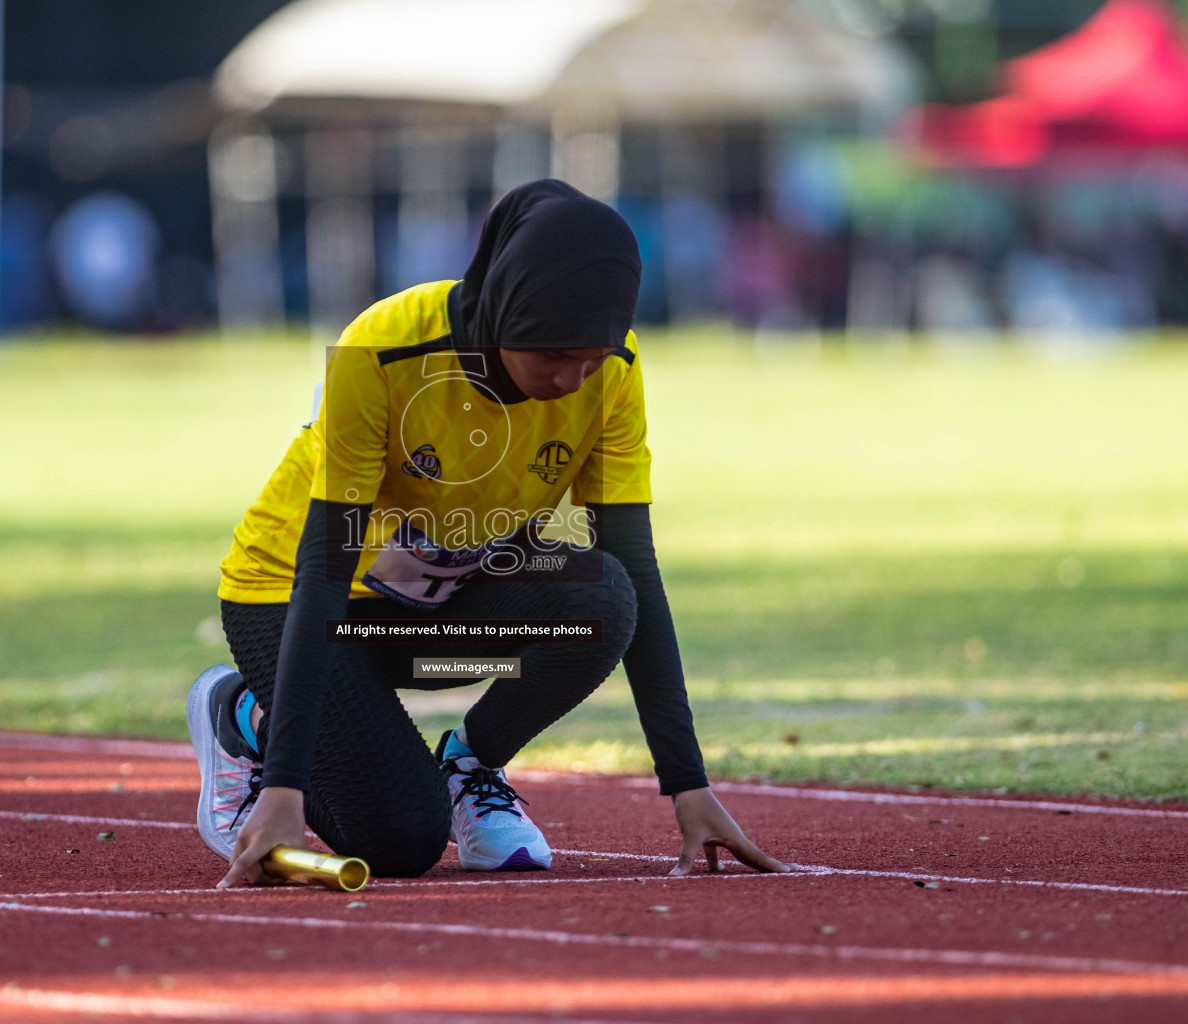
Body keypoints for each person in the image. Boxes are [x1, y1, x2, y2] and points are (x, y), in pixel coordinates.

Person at [190, 179, 791, 886]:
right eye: (554, 358)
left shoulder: (614, 370)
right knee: (403, 842)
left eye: (590, 361)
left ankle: (470, 762)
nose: (573, 380)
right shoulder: (382, 349)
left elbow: (636, 567)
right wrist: (288, 789)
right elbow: (324, 569)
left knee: (603, 599)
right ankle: (251, 722)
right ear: (508, 311)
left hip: (427, 621)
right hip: (295, 601)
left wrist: (688, 786)